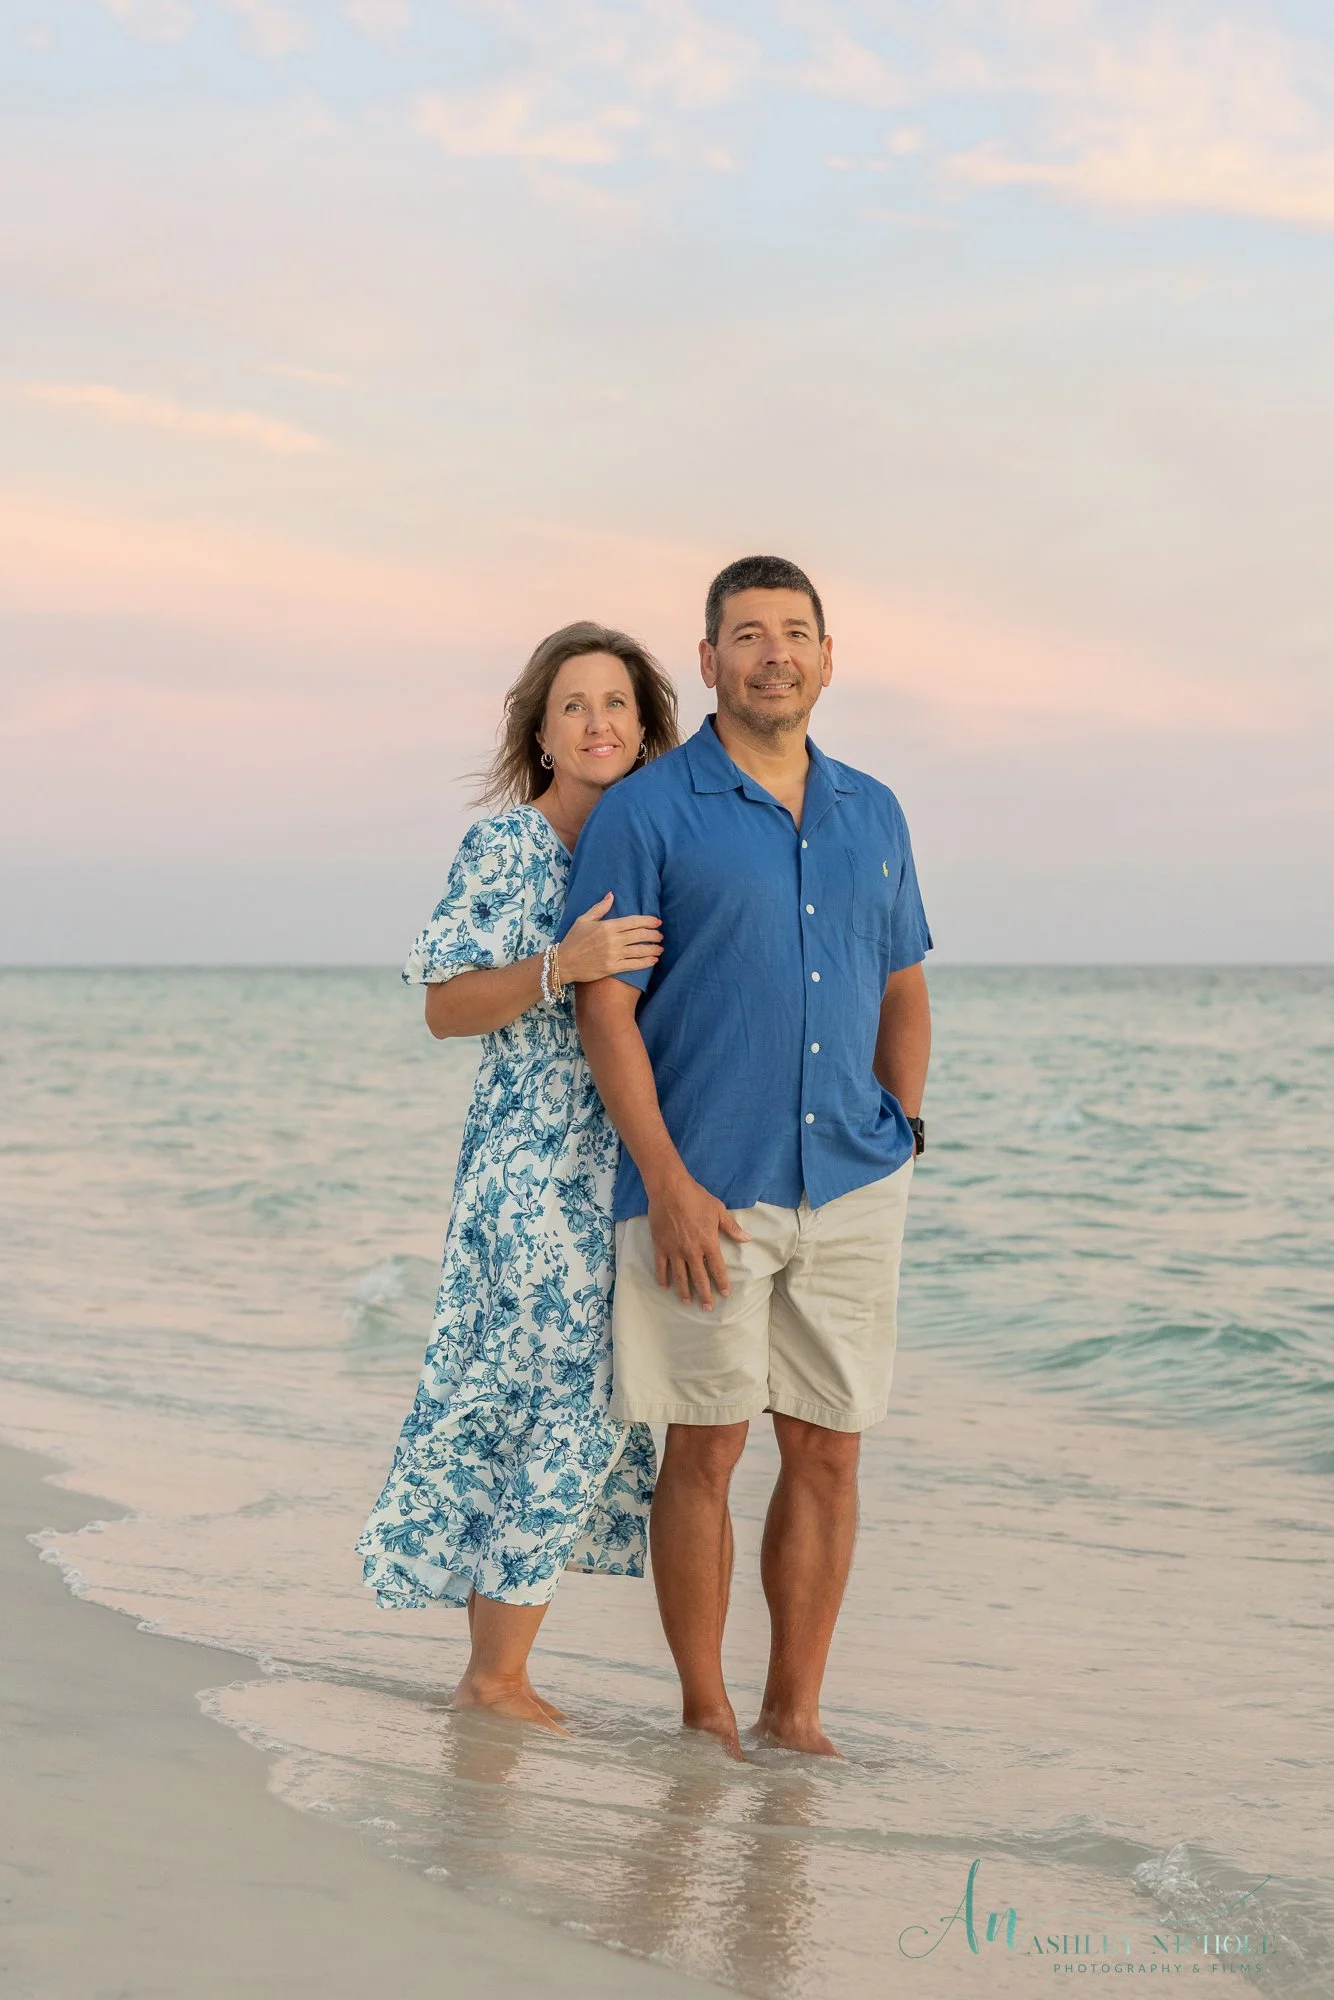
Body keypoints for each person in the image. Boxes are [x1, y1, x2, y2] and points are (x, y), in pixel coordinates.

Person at [559, 556, 932, 1760]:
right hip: (701, 1184)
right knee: (706, 1445)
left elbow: (903, 980)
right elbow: (603, 1007)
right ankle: (706, 1711)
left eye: (796, 631)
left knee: (827, 1446)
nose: (775, 652)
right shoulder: (650, 807)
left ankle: (795, 1712)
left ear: (828, 656)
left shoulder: (873, 808)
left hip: (852, 1180)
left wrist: (901, 1133)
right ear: (707, 659)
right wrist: (663, 1181)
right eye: (747, 633)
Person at [357, 621, 678, 1731]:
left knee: (573, 1405)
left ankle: (497, 1665)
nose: (598, 723)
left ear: (646, 731)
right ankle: (494, 1674)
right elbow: (445, 1008)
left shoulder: (653, 849)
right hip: (527, 1169)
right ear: (539, 730)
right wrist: (560, 964)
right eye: (575, 705)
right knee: (575, 1403)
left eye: (617, 707)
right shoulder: (506, 848)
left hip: (625, 1170)